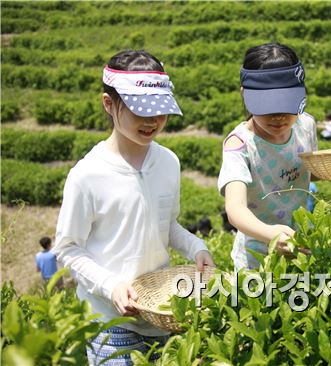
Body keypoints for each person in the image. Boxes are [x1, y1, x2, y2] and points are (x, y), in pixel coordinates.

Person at [52, 50, 214, 365]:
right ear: (109, 104)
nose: (152, 121)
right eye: (141, 111)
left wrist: (197, 247)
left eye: (160, 111)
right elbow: (68, 249)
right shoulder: (87, 175)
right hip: (109, 322)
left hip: (160, 315)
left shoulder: (168, 162)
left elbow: (167, 226)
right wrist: (110, 285)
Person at [218, 42, 316, 271]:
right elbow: (235, 209)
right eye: (267, 107)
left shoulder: (306, 125)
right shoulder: (240, 145)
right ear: (245, 95)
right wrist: (271, 234)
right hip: (256, 256)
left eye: (286, 105)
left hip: (301, 248)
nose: (279, 117)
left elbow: (312, 172)